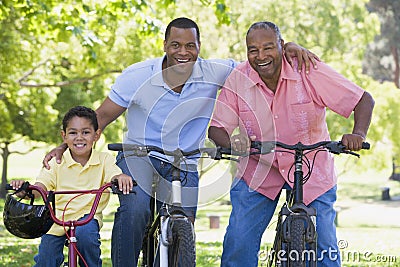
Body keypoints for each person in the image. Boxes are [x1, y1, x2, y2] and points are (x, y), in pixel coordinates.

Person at [42, 18, 319, 267]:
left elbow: (255, 64)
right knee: (136, 208)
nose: (182, 52)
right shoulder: (137, 76)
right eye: (175, 44)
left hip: (184, 158)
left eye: (190, 45)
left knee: (184, 226)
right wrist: (66, 147)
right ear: (164, 45)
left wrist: (288, 47)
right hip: (139, 154)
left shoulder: (215, 71)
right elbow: (100, 117)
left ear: (199, 47)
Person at [208, 21, 374, 267]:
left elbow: (363, 100)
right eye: (253, 50)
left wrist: (358, 134)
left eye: (268, 48)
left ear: (282, 46)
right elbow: (216, 127)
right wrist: (232, 143)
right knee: (238, 244)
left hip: (312, 169)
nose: (261, 56)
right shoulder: (238, 79)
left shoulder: (307, 69)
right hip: (259, 170)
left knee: (325, 250)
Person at [11, 106, 133, 267]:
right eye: (73, 133)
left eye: (86, 132)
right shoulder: (56, 162)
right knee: (46, 259)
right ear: (64, 136)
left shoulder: (104, 160)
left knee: (86, 238)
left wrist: (120, 177)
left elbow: (114, 174)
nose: (79, 138)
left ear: (96, 135)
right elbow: (40, 187)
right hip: (57, 221)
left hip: (88, 218)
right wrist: (25, 191)